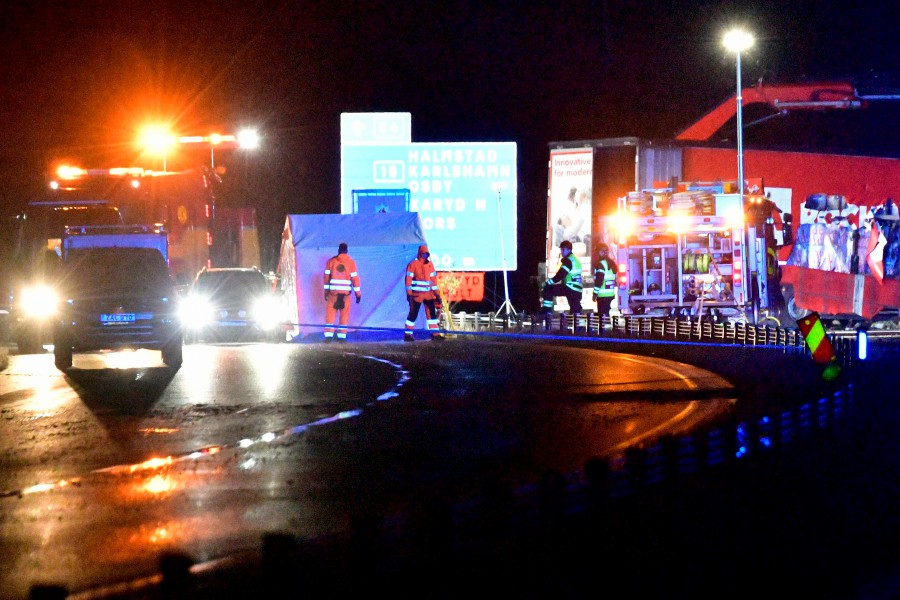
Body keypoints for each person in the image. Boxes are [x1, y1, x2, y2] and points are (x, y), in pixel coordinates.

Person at [323, 242, 361, 343]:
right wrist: (358, 294)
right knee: (344, 315)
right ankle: (341, 337)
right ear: (346, 251)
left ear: (338, 250)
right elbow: (355, 279)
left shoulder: (331, 262)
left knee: (330, 315)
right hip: (345, 295)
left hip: (333, 294)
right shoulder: (351, 262)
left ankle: (328, 337)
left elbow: (326, 278)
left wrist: (326, 292)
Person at [404, 244, 443, 341]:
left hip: (429, 295)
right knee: (413, 314)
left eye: (426, 254)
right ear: (420, 254)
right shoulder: (413, 264)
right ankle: (408, 334)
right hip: (417, 295)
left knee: (432, 315)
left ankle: (435, 334)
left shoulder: (430, 265)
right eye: (423, 254)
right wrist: (409, 294)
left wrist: (437, 294)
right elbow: (408, 280)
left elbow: (433, 282)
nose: (425, 256)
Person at [541, 239, 583, 315]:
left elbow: (560, 275)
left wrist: (548, 283)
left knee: (548, 289)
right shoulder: (574, 259)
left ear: (569, 249)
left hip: (570, 287)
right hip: (576, 289)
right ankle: (579, 325)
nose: (562, 252)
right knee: (575, 309)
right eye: (561, 249)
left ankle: (546, 312)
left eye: (563, 249)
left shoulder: (568, 261)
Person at [592, 243, 617, 319]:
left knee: (602, 316)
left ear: (601, 252)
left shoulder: (601, 264)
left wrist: (595, 294)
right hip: (610, 294)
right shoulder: (611, 264)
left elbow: (599, 281)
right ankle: (606, 328)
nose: (595, 254)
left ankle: (605, 329)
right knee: (605, 315)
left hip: (602, 296)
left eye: (597, 252)